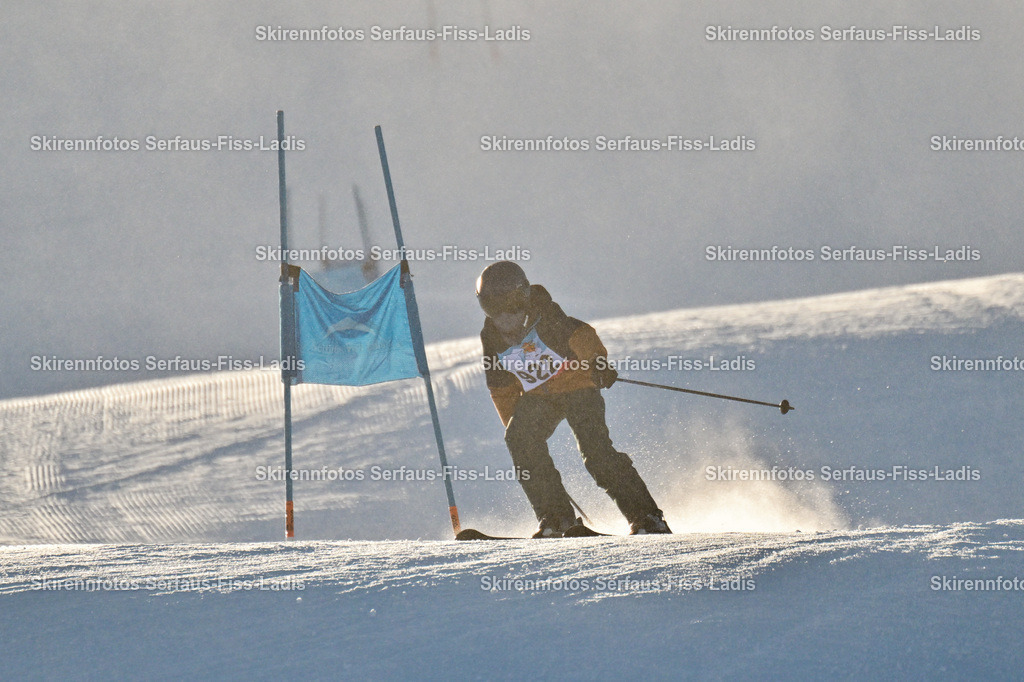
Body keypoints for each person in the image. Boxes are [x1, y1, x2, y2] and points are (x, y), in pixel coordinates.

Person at [476, 261, 671, 537]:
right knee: (519, 439)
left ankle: (647, 517)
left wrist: (598, 363)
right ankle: (555, 519)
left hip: (577, 387)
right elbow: (501, 386)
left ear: (521, 300)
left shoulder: (545, 317)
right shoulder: (492, 337)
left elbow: (582, 334)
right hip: (540, 397)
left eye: (509, 309)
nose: (503, 319)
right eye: (492, 310)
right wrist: (519, 432)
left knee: (596, 454)